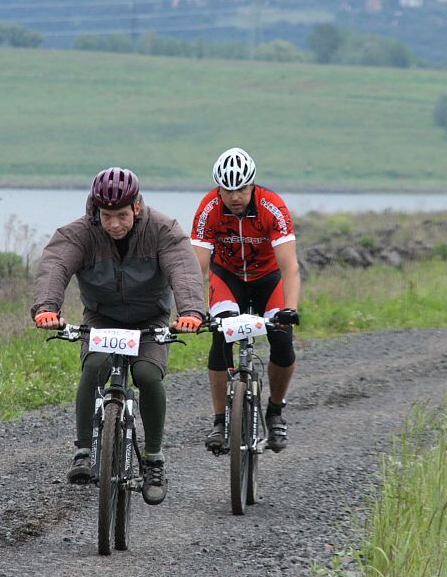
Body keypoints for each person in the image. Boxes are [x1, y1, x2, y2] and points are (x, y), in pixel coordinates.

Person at [32, 167, 204, 504]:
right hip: (102, 317)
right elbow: (55, 265)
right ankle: (83, 451)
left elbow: (183, 268)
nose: (113, 224)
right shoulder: (79, 234)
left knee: (147, 374)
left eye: (121, 215)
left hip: (150, 319)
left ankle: (153, 460)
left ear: (137, 207)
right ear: (96, 210)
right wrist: (46, 308)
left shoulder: (163, 229)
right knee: (95, 366)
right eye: (106, 216)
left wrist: (191, 312)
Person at [190, 147, 300, 453]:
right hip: (228, 277)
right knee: (221, 335)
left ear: (252, 185)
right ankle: (219, 421)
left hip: (268, 278)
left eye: (241, 189)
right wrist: (192, 310)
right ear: (219, 189)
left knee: (282, 339)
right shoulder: (209, 208)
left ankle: (275, 411)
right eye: (227, 190)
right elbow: (197, 266)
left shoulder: (272, 206)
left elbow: (290, 266)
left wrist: (290, 309)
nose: (235, 196)